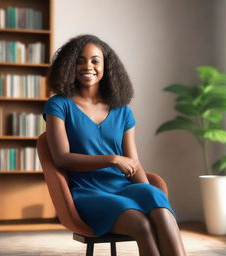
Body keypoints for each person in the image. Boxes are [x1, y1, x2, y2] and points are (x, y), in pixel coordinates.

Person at [43, 34, 186, 256]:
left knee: (158, 201)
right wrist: (112, 159)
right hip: (88, 192)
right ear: (69, 65)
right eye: (80, 60)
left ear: (106, 66)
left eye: (94, 60)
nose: (87, 66)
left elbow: (133, 163)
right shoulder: (58, 105)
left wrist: (146, 191)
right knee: (142, 225)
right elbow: (61, 157)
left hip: (122, 186)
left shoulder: (123, 111)